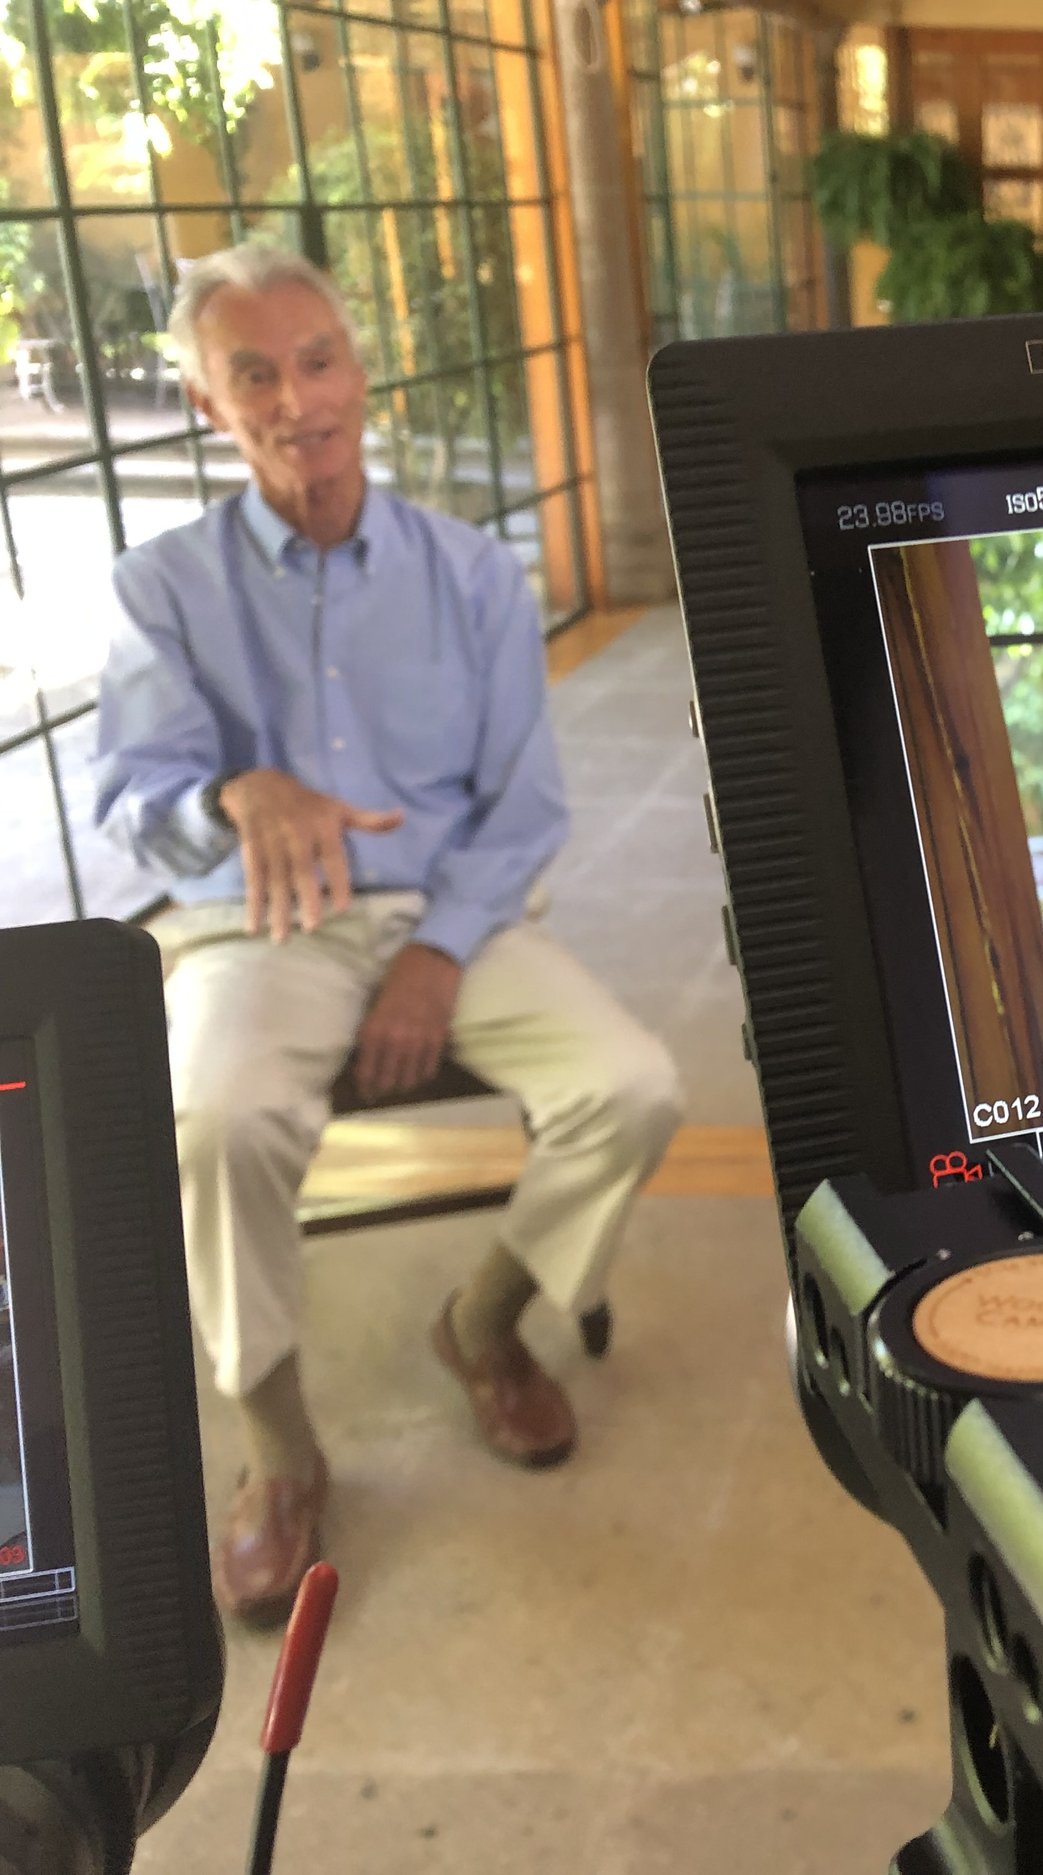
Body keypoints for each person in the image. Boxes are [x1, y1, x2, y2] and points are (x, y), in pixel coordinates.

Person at [91, 245, 684, 1626]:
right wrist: (230, 793)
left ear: (361, 373)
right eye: (254, 374)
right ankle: (278, 1448)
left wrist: (436, 951)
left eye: (319, 361)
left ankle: (481, 1324)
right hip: (261, 925)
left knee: (634, 1084)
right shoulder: (162, 587)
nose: (297, 399)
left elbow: (524, 807)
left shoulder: (472, 574)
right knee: (218, 1117)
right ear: (207, 402)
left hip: (447, 912)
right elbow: (132, 801)